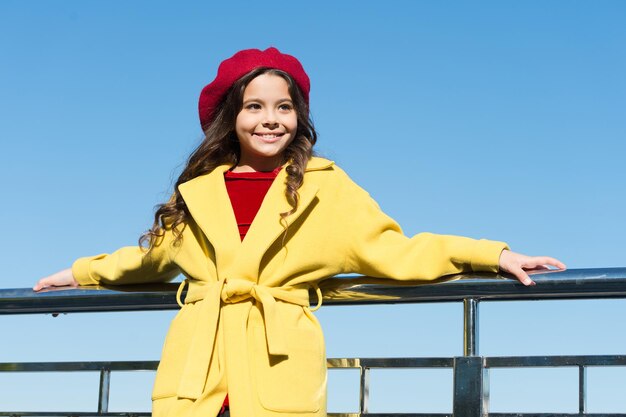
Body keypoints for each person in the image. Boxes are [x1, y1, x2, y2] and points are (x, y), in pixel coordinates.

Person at [33, 47, 565, 417]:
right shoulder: (197, 192)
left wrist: (490, 255)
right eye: (255, 106)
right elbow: (147, 261)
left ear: (299, 117)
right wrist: (82, 272)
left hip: (277, 365)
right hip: (195, 373)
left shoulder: (325, 188)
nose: (271, 120)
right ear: (230, 118)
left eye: (284, 107)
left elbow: (395, 251)